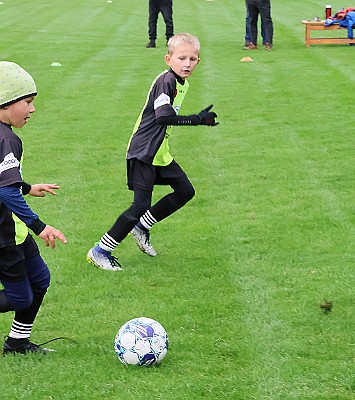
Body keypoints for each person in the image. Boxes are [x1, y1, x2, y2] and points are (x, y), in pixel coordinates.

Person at [87, 33, 218, 271]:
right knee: (139, 205)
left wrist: (198, 121)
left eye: (192, 58)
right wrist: (196, 120)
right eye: (181, 58)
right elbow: (163, 117)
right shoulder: (166, 81)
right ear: (168, 59)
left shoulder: (182, 83)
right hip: (143, 153)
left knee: (185, 191)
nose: (187, 63)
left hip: (159, 153)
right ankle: (100, 251)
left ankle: (141, 227)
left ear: (199, 61)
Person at [0, 61, 67, 354]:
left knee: (40, 279)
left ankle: (17, 344)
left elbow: (5, 183)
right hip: (3, 238)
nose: (32, 109)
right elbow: (5, 191)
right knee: (19, 298)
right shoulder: (7, 139)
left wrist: (27, 187)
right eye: (27, 102)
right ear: (5, 101)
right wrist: (40, 226)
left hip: (12, 232)